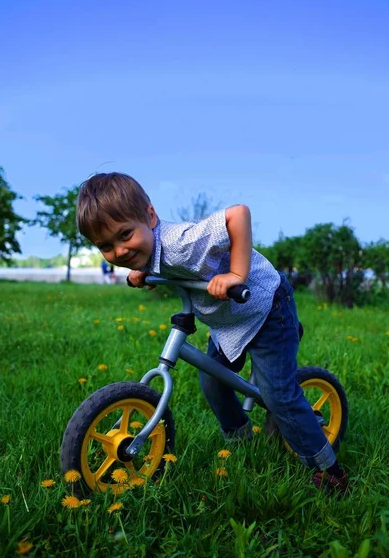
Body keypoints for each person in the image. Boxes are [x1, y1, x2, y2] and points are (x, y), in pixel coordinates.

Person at [77, 172, 349, 495]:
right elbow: (153, 258)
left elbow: (238, 215)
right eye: (106, 246)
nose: (119, 251)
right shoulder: (149, 251)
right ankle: (242, 441)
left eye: (125, 235)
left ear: (150, 217)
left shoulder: (182, 243)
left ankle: (328, 469)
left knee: (278, 395)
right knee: (212, 382)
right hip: (228, 321)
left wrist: (236, 274)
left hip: (266, 308)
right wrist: (142, 271)